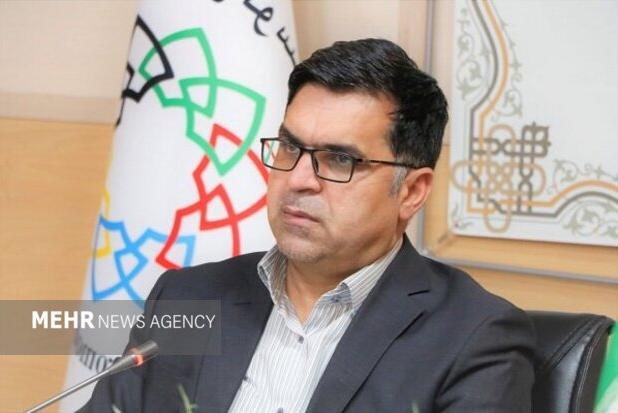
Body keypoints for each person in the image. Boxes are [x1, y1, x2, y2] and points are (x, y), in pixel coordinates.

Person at [82, 38, 535, 412]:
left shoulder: (474, 339)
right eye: (289, 147)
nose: (298, 179)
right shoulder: (190, 297)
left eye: (339, 159)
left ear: (412, 191)